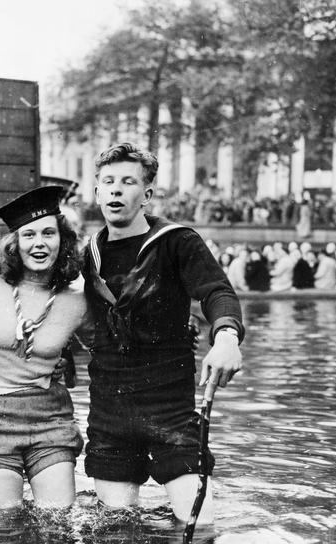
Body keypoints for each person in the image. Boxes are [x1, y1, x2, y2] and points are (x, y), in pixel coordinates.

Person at [82, 143, 243, 522]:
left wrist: (226, 337)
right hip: (110, 408)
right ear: (97, 193)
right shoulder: (88, 252)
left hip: (169, 406)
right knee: (114, 535)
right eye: (109, 182)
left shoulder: (177, 241)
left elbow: (217, 292)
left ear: (147, 194)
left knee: (198, 526)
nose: (117, 189)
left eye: (128, 181)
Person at [0, 185, 93, 510]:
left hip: (49, 417)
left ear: (63, 240)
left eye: (49, 233)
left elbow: (106, 349)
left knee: (56, 524)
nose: (39, 243)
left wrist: (68, 362)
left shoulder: (77, 299)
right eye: (29, 235)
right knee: (5, 528)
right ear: (14, 243)